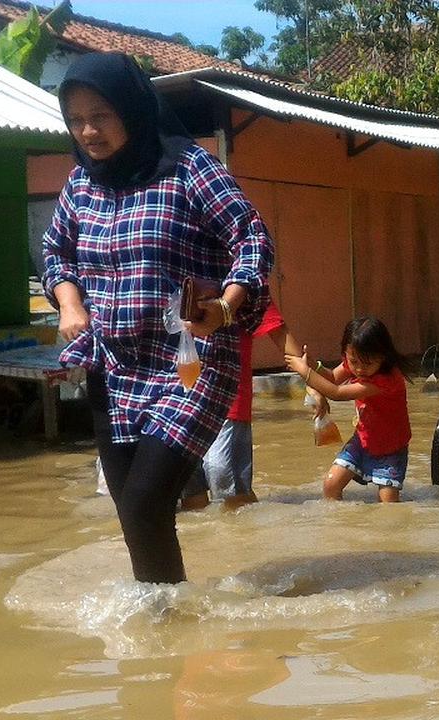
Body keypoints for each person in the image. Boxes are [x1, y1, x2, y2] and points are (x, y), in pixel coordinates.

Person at [42, 53, 273, 584]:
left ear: (131, 107)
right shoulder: (80, 185)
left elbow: (251, 237)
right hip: (114, 368)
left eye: (100, 114)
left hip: (190, 364)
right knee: (133, 514)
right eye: (76, 119)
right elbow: (56, 252)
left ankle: (168, 624)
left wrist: (227, 306)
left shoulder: (190, 168)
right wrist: (70, 302)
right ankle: (167, 627)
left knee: (146, 503)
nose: (88, 130)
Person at [180, 302, 307, 511]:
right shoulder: (177, 286)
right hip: (179, 405)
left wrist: (314, 385)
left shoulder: (243, 290)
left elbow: (280, 334)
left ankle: (245, 538)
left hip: (228, 403)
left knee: (226, 486)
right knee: (191, 491)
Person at [284, 317, 409, 503]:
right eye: (353, 361)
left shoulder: (387, 380)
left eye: (366, 364)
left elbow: (336, 392)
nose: (359, 369)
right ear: (346, 353)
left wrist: (305, 372)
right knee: (330, 485)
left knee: (388, 505)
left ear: (383, 357)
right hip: (363, 439)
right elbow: (332, 377)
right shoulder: (359, 362)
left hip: (391, 448)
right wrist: (313, 365)